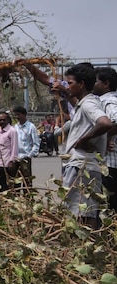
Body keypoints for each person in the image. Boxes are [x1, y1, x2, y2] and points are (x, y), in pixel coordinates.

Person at [59, 64, 112, 229]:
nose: (68, 86)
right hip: (83, 165)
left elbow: (105, 123)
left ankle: (82, 247)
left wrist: (84, 139)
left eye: (70, 83)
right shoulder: (86, 103)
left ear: (81, 84)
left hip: (81, 166)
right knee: (84, 211)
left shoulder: (89, 104)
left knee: (80, 213)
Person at [93, 67, 117, 210]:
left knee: (109, 205)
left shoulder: (108, 101)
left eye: (96, 81)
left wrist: (104, 138)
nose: (93, 84)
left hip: (110, 163)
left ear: (106, 83)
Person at [12, 106, 40, 188]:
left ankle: (27, 198)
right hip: (16, 157)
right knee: (15, 181)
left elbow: (36, 143)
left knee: (26, 180)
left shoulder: (31, 127)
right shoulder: (15, 127)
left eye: (19, 115)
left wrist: (30, 155)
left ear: (24, 115)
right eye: (16, 115)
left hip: (25, 158)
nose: (17, 117)